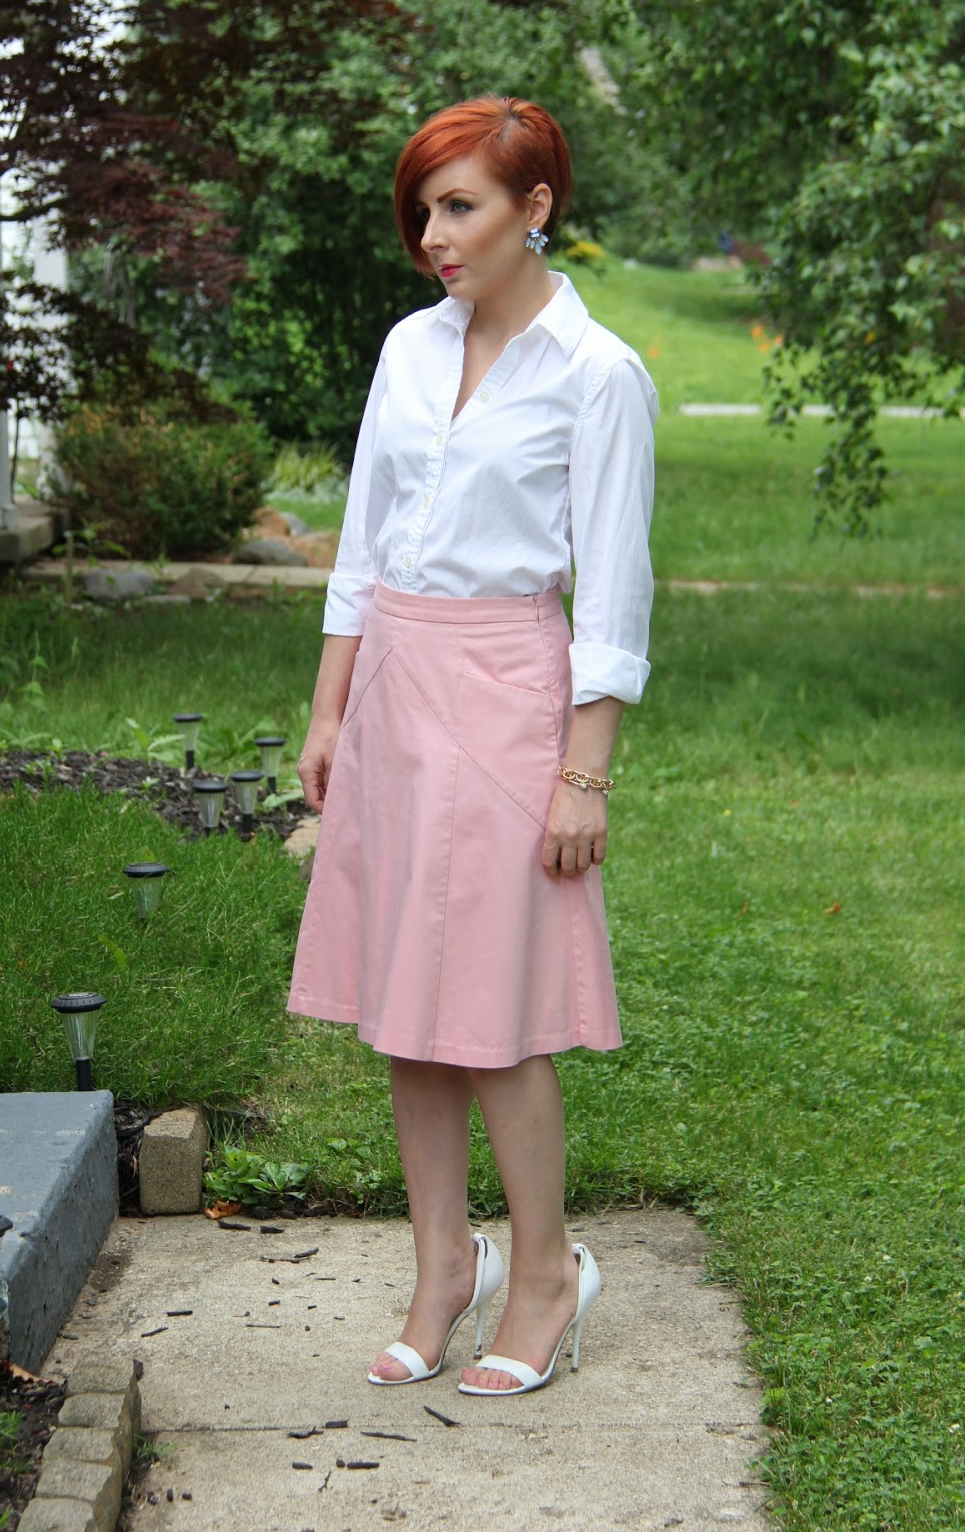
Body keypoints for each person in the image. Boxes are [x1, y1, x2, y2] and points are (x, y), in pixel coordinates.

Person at [288, 95, 656, 1396]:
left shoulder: (596, 373)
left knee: (497, 1013)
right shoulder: (405, 349)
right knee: (408, 1006)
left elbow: (613, 596)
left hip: (508, 693)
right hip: (394, 685)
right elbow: (365, 542)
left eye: (462, 208)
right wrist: (331, 711)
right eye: (427, 211)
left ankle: (546, 1269)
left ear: (534, 208)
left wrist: (582, 770)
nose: (435, 236)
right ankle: (445, 1261)